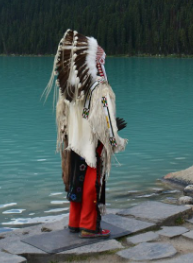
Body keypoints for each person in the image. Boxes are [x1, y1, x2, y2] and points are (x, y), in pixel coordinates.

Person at [45, 30, 127, 239]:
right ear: (96, 62)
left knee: (75, 182)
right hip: (92, 146)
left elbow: (64, 118)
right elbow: (104, 121)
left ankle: (75, 222)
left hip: (74, 144)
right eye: (102, 60)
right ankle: (90, 227)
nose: (103, 64)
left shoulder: (70, 90)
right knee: (91, 184)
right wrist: (115, 136)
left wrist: (69, 136)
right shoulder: (100, 89)